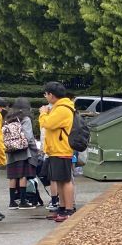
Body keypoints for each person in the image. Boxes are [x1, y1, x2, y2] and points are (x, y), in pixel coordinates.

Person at [37, 82, 77, 222]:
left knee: (65, 180)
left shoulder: (63, 109)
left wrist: (42, 114)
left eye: (46, 94)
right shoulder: (58, 108)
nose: (45, 97)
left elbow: (47, 124)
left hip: (62, 149)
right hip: (55, 149)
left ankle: (69, 210)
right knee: (59, 180)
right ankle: (62, 207)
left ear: (51, 95)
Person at [4, 98, 41, 209]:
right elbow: (28, 137)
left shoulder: (9, 119)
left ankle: (12, 202)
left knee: (12, 176)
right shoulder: (25, 119)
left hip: (10, 151)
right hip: (23, 151)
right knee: (22, 176)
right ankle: (23, 202)